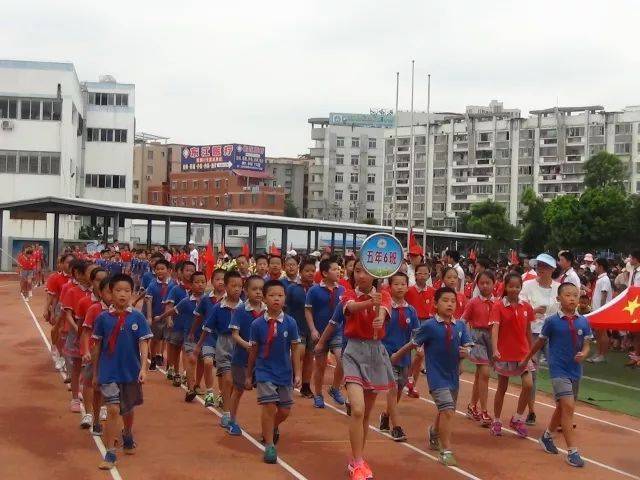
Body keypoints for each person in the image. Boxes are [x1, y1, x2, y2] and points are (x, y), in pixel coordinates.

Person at [391, 286, 472, 467]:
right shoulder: (429, 326)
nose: (450, 304)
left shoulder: (460, 325)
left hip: (452, 376)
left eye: (453, 301)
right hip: (436, 376)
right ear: (435, 304)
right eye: (445, 300)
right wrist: (396, 356)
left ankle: (434, 432)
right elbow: (413, 343)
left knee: (445, 410)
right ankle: (446, 450)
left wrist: (465, 353)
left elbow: (468, 346)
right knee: (448, 410)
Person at [329, 259, 393, 480]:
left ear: (374, 275)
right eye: (357, 271)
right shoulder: (348, 294)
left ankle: (358, 458)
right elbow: (352, 308)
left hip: (375, 354)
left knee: (365, 414)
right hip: (353, 352)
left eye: (365, 271)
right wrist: (368, 303)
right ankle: (356, 464)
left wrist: (380, 317)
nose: (361, 275)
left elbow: (384, 310)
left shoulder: (384, 294)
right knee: (357, 409)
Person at [520, 282, 592, 468]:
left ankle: (547, 436)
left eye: (575, 295)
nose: (572, 298)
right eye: (568, 295)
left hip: (575, 370)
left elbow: (586, 344)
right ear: (559, 298)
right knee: (568, 407)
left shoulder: (583, 321)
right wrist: (527, 357)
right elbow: (539, 343)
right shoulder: (551, 321)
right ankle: (572, 452)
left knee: (562, 407)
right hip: (558, 369)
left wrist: (584, 353)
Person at [92, 274, 152, 470]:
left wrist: (143, 367)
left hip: (130, 371)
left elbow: (143, 343)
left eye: (127, 291)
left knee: (128, 408)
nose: (122, 295)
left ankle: (127, 433)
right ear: (110, 292)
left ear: (132, 293)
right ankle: (110, 452)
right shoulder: (103, 318)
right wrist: (95, 373)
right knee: (112, 408)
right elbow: (97, 347)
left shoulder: (138, 317)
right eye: (118, 290)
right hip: (109, 371)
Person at [245, 280, 301, 464]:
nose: (276, 299)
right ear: (265, 298)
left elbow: (295, 349)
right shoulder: (257, 324)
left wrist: (297, 373)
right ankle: (269, 445)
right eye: (272, 295)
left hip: (284, 371)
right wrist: (249, 374)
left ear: (285, 299)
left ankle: (272, 427)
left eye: (280, 296)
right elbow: (253, 351)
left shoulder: (291, 323)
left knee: (284, 410)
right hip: (264, 370)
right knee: (269, 406)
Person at [489, 272, 535, 438]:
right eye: (511, 286)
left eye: (517, 286)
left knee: (528, 385)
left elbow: (528, 330)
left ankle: (517, 418)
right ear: (505, 287)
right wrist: (495, 349)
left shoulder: (526, 307)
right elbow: (494, 329)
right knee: (502, 387)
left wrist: (532, 352)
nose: (514, 289)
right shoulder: (498, 306)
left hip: (522, 353)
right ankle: (496, 420)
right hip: (505, 353)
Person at [196, 270, 243, 427]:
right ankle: (227, 414)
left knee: (234, 384)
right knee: (228, 379)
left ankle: (225, 400)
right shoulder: (218, 307)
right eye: (233, 285)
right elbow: (207, 328)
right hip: (223, 343)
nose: (237, 289)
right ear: (226, 287)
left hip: (240, 345)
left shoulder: (245, 308)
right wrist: (198, 346)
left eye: (240, 286)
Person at [520, 253, 560, 425]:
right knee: (532, 373)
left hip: (554, 334)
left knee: (559, 373)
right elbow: (521, 307)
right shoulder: (528, 285)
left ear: (552, 269)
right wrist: (535, 310)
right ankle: (531, 411)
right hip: (533, 333)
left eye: (545, 266)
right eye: (539, 266)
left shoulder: (559, 287)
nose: (540, 269)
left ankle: (562, 413)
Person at [378, 272, 418, 442]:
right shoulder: (385, 308)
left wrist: (420, 347)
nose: (400, 287)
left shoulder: (411, 310)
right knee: (392, 387)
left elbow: (416, 333)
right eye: (396, 284)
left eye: (403, 284)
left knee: (400, 388)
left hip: (405, 357)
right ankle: (397, 427)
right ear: (389, 287)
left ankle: (386, 414)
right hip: (387, 353)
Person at [305, 258, 346, 408]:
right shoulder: (314, 290)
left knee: (342, 360)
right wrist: (313, 329)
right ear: (324, 273)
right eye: (335, 269)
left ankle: (334, 389)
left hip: (337, 332)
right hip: (319, 333)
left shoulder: (342, 290)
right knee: (320, 366)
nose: (338, 271)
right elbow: (308, 310)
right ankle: (318, 395)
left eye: (339, 268)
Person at [228, 275, 266, 435]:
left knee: (267, 392)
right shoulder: (240, 310)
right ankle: (232, 420)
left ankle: (269, 427)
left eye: (261, 289)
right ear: (246, 291)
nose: (258, 292)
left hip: (262, 361)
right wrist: (248, 346)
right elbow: (235, 334)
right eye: (254, 289)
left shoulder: (268, 310)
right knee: (238, 389)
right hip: (241, 359)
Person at [462, 270, 495, 427]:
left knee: (479, 375)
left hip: (492, 338)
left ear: (494, 284)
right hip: (477, 337)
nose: (485, 285)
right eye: (481, 283)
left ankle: (472, 405)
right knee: (485, 373)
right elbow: (463, 320)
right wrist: (464, 338)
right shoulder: (473, 302)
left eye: (488, 282)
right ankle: (484, 410)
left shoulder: (497, 303)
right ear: (477, 285)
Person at [77, 267, 109, 430]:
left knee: (106, 382)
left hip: (110, 354)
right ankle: (89, 412)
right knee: (90, 381)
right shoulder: (90, 305)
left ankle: (101, 407)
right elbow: (84, 331)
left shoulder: (119, 308)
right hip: (94, 352)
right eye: (97, 280)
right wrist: (86, 351)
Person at [191, 268, 226, 406]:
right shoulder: (206, 299)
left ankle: (223, 394)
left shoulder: (232, 300)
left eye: (223, 280)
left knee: (223, 370)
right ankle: (210, 392)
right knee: (208, 362)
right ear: (212, 281)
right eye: (217, 279)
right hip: (208, 337)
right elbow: (198, 317)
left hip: (224, 339)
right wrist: (192, 332)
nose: (220, 282)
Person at [157, 261, 196, 386]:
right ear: (181, 272)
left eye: (192, 270)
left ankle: (185, 373)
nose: (190, 273)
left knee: (187, 349)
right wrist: (169, 319)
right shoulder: (175, 289)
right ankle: (175, 370)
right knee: (175, 348)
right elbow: (169, 305)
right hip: (177, 324)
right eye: (187, 270)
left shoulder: (196, 290)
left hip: (190, 326)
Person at [285, 258, 316, 398]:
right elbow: (285, 307)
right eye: (307, 271)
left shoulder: (316, 289)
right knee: (300, 353)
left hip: (313, 328)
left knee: (310, 357)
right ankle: (290, 378)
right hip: (296, 326)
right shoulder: (292, 288)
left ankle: (306, 386)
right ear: (300, 271)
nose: (310, 273)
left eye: (313, 271)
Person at [404, 263, 434, 398]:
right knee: (418, 354)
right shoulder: (409, 291)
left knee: (421, 355)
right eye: (419, 273)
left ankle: (412, 384)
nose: (422, 275)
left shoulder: (432, 291)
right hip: (413, 324)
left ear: (429, 275)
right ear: (415, 275)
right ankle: (409, 378)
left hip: (427, 324)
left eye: (425, 273)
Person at [144, 259, 175, 370]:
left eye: (162, 269)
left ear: (169, 270)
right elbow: (149, 301)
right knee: (155, 339)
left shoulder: (173, 285)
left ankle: (167, 362)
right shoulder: (153, 285)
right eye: (157, 269)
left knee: (167, 339)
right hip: (156, 316)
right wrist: (149, 317)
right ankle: (153, 359)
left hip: (169, 316)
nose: (160, 271)